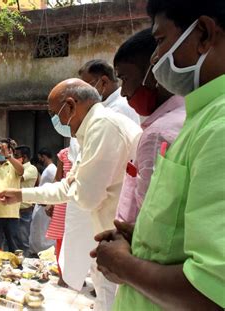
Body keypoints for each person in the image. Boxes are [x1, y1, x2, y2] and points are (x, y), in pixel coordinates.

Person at [92, 1, 225, 310]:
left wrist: (123, 266)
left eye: (161, 40)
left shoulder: (218, 127)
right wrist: (143, 240)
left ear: (203, 34)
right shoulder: (199, 119)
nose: (155, 58)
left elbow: (213, 291)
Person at [0, 79, 142, 311]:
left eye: (55, 113)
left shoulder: (103, 127)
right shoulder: (91, 130)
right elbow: (68, 188)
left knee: (112, 300)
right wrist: (21, 194)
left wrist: (74, 184)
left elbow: (86, 197)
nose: (56, 120)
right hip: (106, 240)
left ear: (71, 106)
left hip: (120, 244)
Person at [113, 28, 186, 223]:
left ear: (154, 72)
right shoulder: (190, 114)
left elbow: (151, 218)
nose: (123, 92)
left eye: (124, 79)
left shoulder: (157, 135)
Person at [46, 143, 73, 287]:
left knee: (83, 240)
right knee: (61, 240)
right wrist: (50, 202)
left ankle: (77, 275)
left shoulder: (91, 150)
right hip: (63, 202)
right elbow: (57, 180)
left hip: (81, 202)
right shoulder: (64, 154)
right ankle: (63, 275)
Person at [79, 59, 140, 124]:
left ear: (104, 82)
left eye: (87, 86)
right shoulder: (108, 104)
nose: (85, 92)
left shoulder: (117, 109)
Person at [29, 148, 57, 256]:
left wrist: (50, 204)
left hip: (45, 206)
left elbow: (55, 187)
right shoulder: (48, 169)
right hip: (40, 206)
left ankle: (45, 254)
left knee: (43, 233)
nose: (39, 159)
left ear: (43, 157)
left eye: (40, 157)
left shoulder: (52, 170)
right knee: (38, 232)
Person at [13, 145, 38, 254]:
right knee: (10, 240)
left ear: (25, 157)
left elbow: (18, 177)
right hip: (12, 211)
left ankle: (25, 264)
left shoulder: (31, 169)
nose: (14, 157)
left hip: (23, 212)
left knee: (22, 241)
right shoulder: (16, 167)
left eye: (16, 156)